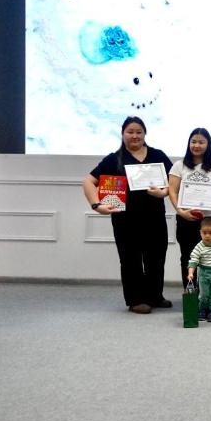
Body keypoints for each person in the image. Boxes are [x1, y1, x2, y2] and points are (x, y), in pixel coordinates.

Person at [83, 116, 173, 314]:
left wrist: (164, 192)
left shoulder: (158, 155)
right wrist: (96, 205)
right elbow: (88, 181)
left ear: (145, 134)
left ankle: (154, 296)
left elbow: (173, 182)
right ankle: (136, 300)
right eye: (130, 132)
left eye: (139, 132)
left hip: (155, 218)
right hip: (125, 220)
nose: (135, 136)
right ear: (122, 134)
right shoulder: (113, 159)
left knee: (156, 258)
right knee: (130, 259)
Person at [168, 128, 211, 288]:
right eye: (193, 142)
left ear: (208, 144)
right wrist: (180, 211)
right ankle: (190, 293)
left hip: (209, 219)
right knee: (188, 257)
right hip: (186, 217)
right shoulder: (179, 165)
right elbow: (172, 190)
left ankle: (208, 294)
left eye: (201, 142)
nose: (197, 145)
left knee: (210, 257)